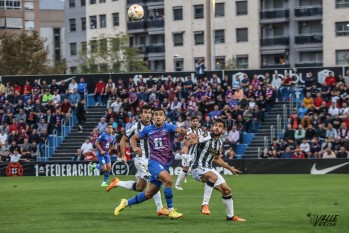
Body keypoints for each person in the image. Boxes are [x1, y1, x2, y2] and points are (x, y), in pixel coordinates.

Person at [113, 108, 198, 219]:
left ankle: (125, 203)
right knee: (168, 180)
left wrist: (189, 133)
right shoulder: (148, 129)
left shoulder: (169, 127)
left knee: (148, 194)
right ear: (153, 117)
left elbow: (181, 130)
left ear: (164, 117)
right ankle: (171, 211)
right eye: (156, 115)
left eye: (161, 115)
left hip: (165, 164)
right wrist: (134, 147)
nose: (158, 117)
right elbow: (133, 138)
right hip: (153, 163)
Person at [106, 105, 169, 216]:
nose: (148, 115)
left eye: (149, 112)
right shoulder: (135, 127)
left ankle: (117, 182)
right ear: (141, 114)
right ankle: (160, 208)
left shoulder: (155, 126)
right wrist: (124, 155)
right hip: (141, 159)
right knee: (154, 179)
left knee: (140, 187)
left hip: (152, 160)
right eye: (145, 112)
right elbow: (123, 140)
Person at [182, 119, 246, 221]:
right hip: (197, 168)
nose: (217, 127)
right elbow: (192, 141)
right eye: (215, 125)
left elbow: (217, 159)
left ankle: (230, 216)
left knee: (227, 190)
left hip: (209, 168)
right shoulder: (206, 136)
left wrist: (230, 168)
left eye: (220, 126)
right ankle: (204, 205)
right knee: (213, 176)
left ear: (224, 130)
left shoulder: (219, 143)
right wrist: (186, 147)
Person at [175, 116, 203, 190]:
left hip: (195, 153)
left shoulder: (200, 131)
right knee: (185, 168)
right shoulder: (188, 130)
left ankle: (184, 176)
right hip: (187, 153)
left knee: (193, 168)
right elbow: (184, 141)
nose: (195, 122)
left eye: (196, 121)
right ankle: (177, 184)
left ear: (198, 122)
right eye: (193, 121)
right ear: (191, 122)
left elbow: (201, 140)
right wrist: (191, 139)